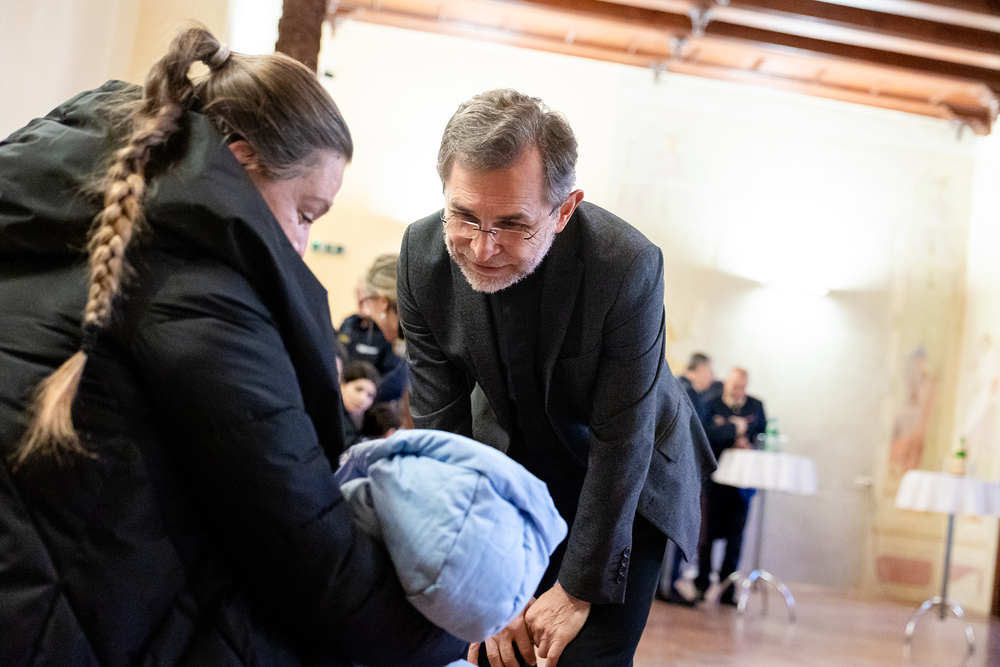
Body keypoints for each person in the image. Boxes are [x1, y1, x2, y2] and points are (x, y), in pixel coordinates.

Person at [0, 28, 465, 667]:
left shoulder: (46, 220)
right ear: (242, 161)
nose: (301, 245)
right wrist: (460, 630)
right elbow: (312, 561)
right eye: (305, 213)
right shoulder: (200, 295)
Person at [397, 88, 716, 667]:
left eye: (513, 224)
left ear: (564, 210)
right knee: (490, 650)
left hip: (628, 475)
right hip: (511, 462)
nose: (483, 248)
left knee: (578, 656)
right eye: (464, 216)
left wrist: (575, 589)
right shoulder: (422, 256)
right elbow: (444, 431)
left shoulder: (626, 265)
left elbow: (623, 438)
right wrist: (481, 576)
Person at [696, 367, 767, 605]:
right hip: (714, 482)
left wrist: (741, 436)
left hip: (742, 483)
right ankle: (701, 584)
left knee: (735, 538)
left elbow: (762, 433)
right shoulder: (711, 403)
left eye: (742, 387)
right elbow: (707, 433)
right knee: (706, 536)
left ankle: (728, 588)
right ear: (726, 383)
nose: (739, 392)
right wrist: (735, 429)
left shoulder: (755, 405)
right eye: (735, 386)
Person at [660, 352, 716, 605]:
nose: (712, 378)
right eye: (710, 371)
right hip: (677, 474)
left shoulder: (681, 388)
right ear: (700, 369)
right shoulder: (686, 391)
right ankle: (667, 586)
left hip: (674, 473)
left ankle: (667, 584)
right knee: (672, 535)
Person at [338, 264, 406, 403]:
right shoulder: (348, 323)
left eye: (365, 295)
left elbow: (396, 380)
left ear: (381, 300)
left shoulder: (389, 331)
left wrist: (363, 394)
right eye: (357, 292)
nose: (360, 300)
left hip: (375, 404)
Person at [341, 360, 381, 448]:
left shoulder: (366, 421)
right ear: (342, 385)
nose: (362, 399)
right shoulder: (329, 415)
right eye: (358, 389)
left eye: (370, 395)